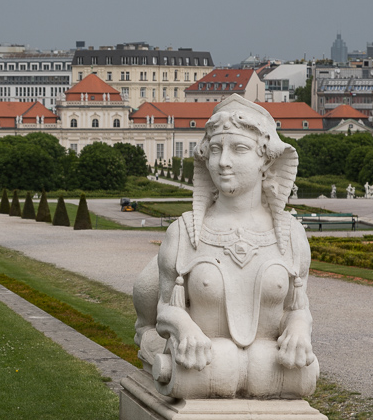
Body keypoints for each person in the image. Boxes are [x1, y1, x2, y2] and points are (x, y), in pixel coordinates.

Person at [133, 95, 318, 399]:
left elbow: (296, 308)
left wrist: (299, 328)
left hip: (242, 359)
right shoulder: (183, 233)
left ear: (266, 160)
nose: (223, 162)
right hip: (210, 354)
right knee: (149, 281)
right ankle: (146, 334)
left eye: (239, 149)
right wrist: (185, 329)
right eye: (215, 150)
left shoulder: (292, 235)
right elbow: (168, 307)